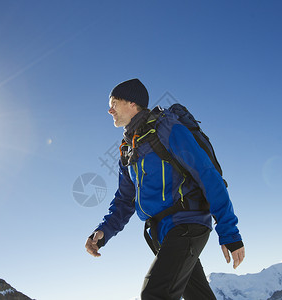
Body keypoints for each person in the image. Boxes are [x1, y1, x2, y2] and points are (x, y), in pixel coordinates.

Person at [85, 78, 245, 300]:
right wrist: (103, 232)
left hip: (187, 224)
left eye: (114, 102)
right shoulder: (127, 149)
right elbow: (124, 200)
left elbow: (207, 174)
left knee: (155, 294)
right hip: (163, 235)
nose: (109, 110)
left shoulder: (167, 128)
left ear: (132, 103)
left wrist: (229, 232)